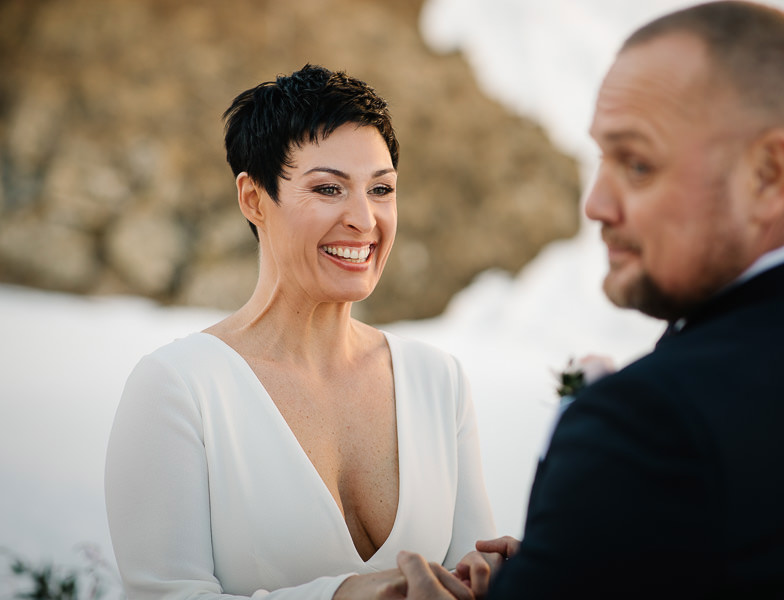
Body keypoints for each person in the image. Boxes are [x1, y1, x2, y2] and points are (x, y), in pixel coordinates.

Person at [398, 1, 784, 598]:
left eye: (636, 164)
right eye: (601, 159)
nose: (597, 205)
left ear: (766, 175)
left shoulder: (647, 426)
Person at [104, 64, 495, 600]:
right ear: (253, 199)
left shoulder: (438, 382)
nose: (364, 219)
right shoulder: (178, 388)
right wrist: (343, 595)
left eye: (381, 189)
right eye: (329, 188)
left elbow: (468, 575)